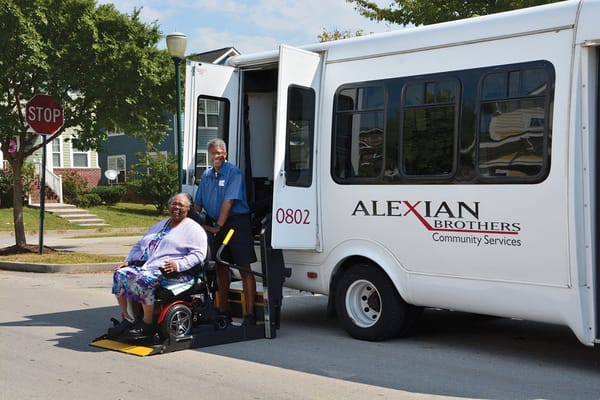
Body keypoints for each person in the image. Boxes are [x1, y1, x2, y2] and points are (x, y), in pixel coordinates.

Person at [110, 193, 207, 337]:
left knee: (143, 279)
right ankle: (129, 318)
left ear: (189, 209)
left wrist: (178, 265)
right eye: (174, 203)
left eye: (181, 205)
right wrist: (129, 261)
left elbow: (198, 254)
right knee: (120, 274)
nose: (176, 207)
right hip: (150, 267)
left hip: (177, 273)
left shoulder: (194, 229)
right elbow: (139, 246)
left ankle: (147, 323)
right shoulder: (160, 225)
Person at [194, 138, 258, 325]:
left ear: (225, 154)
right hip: (217, 224)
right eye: (213, 153)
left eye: (219, 152)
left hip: (236, 224)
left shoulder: (234, 173)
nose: (216, 156)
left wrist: (218, 227)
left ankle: (250, 315)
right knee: (221, 266)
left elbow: (228, 202)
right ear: (209, 155)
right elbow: (198, 204)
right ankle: (223, 310)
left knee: (244, 268)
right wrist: (190, 222)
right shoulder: (206, 176)